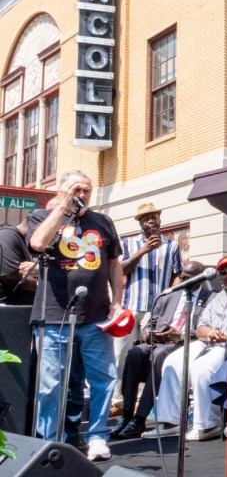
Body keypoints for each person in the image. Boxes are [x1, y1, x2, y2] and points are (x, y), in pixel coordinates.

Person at [27, 170, 124, 461]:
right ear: (61, 190)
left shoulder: (103, 222)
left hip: (96, 316)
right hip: (53, 317)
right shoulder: (42, 217)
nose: (81, 195)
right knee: (51, 386)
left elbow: (114, 263)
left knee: (103, 379)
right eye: (75, 189)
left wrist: (117, 301)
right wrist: (62, 208)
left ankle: (97, 437)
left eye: (86, 190)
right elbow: (38, 244)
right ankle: (50, 442)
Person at [110, 261, 213, 439]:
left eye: (189, 278)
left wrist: (181, 334)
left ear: (200, 279)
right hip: (158, 341)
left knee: (159, 355)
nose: (184, 281)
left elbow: (207, 329)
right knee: (135, 353)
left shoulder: (210, 298)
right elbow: (150, 323)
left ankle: (140, 419)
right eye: (183, 277)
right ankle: (127, 415)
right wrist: (147, 333)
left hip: (185, 344)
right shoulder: (169, 296)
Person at [143, 256, 227, 442]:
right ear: (219, 277)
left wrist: (223, 336)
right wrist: (210, 333)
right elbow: (201, 327)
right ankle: (171, 422)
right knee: (173, 362)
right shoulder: (218, 298)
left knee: (201, 367)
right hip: (208, 340)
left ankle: (208, 424)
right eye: (224, 272)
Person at [111, 202, 182, 417]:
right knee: (120, 354)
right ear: (140, 223)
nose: (150, 221)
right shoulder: (128, 243)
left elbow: (177, 275)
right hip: (131, 307)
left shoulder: (172, 246)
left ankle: (141, 402)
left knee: (146, 355)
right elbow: (120, 270)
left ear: (159, 219)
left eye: (153, 216)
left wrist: (173, 297)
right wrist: (143, 251)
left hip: (156, 311)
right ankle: (118, 401)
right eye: (145, 218)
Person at [0, 219, 38, 305]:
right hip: (8, 306)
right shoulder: (6, 237)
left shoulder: (32, 242)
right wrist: (41, 285)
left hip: (28, 306)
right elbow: (10, 276)